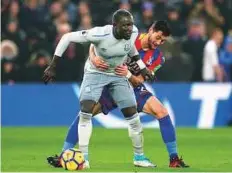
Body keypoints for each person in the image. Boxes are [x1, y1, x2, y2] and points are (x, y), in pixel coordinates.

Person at [47, 21, 189, 168]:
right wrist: (94, 58)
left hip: (130, 86)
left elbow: (138, 81)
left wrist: (127, 74)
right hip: (108, 83)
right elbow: (96, 43)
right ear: (151, 30)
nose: (159, 42)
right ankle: (63, 155)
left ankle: (174, 158)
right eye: (158, 37)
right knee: (84, 115)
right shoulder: (130, 35)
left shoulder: (158, 57)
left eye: (163, 41)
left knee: (162, 112)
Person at [43, 9, 155, 169]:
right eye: (125, 26)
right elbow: (67, 37)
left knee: (133, 116)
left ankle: (139, 157)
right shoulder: (98, 34)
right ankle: (84, 158)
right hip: (95, 74)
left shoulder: (133, 32)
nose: (129, 29)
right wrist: (53, 65)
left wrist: (143, 68)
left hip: (117, 74)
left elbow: (130, 49)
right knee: (86, 111)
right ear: (114, 25)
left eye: (130, 25)